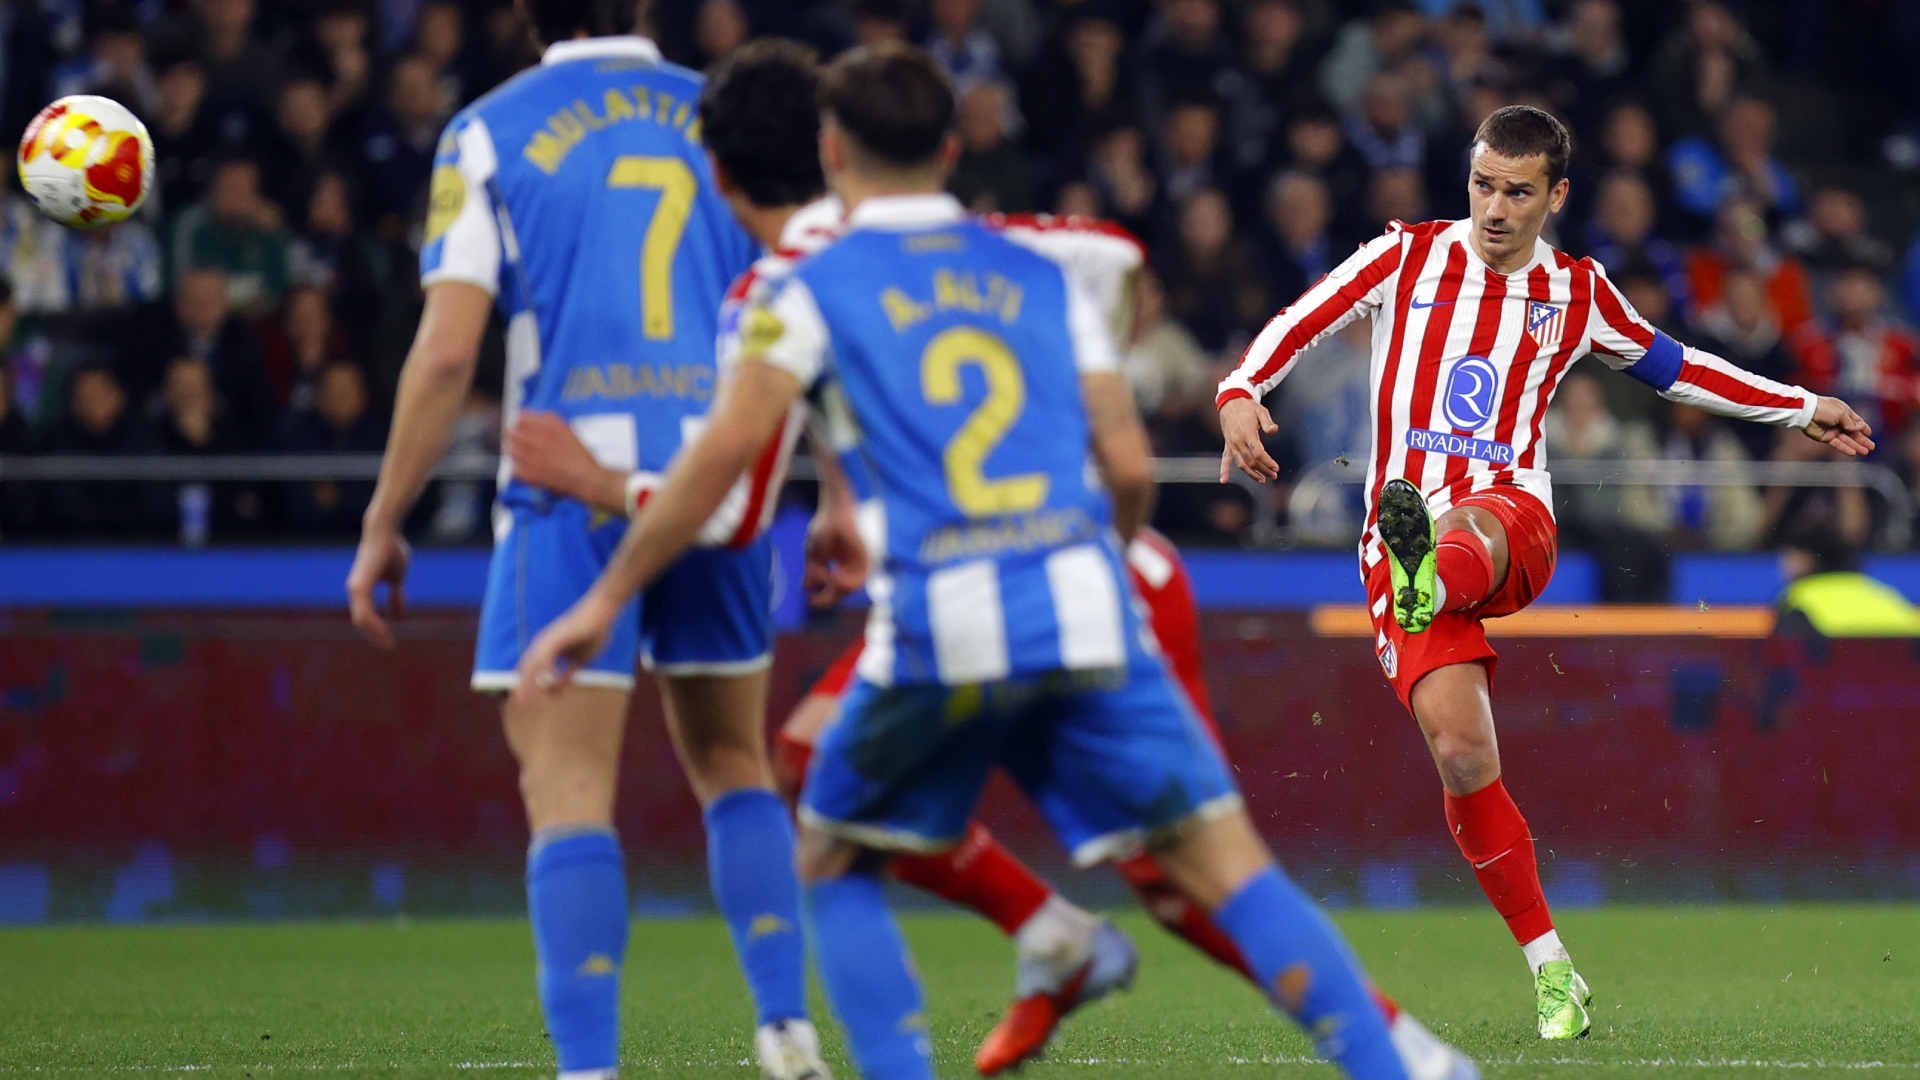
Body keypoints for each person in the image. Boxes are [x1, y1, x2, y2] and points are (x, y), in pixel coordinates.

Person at [517, 42, 1477, 1080]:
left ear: (835, 149)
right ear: (946, 146)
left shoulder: (788, 291)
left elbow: (720, 487)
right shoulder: (1039, 267)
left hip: (943, 626)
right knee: (1226, 870)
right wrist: (1075, 552)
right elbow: (1127, 464)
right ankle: (1412, 1067)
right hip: (1089, 603)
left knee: (834, 854)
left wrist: (602, 586)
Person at [1217, 105, 1874, 1040]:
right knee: (1463, 753)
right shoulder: (1403, 256)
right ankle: (1553, 969)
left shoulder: (1578, 290)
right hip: (1399, 530)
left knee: (1472, 526)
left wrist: (1801, 405)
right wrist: (1240, 391)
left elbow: (1679, 368)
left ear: (1554, 196)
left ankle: (1429, 574)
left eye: (1517, 191)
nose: (1493, 207)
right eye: (1483, 184)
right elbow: (1301, 318)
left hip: (1507, 522)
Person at [343, 8, 826, 1080]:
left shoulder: (486, 129)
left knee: (566, 794)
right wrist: (831, 483)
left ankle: (591, 1070)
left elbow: (444, 354)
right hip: (714, 482)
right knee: (734, 764)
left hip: (566, 489)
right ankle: (786, 1024)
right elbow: (813, 293)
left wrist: (385, 519)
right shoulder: (727, 112)